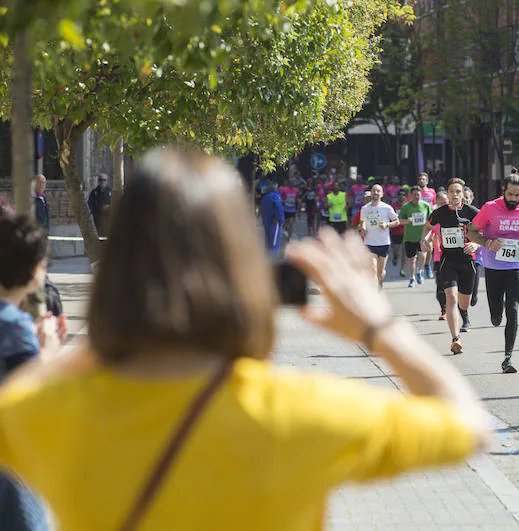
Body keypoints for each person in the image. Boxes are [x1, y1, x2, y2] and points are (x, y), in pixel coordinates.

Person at [0, 148, 492, 531]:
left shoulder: (49, 411)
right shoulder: (298, 410)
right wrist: (378, 326)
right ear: (243, 265)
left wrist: (97, 339)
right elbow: (468, 426)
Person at [0, 212, 67, 531]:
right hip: (10, 480)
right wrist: (49, 353)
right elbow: (30, 401)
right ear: (31, 272)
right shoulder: (13, 326)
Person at [468, 173, 519, 374]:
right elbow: (472, 232)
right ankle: (495, 315)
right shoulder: (490, 208)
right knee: (496, 315)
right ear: (503, 192)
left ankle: (508, 357)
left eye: (517, 195)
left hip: (517, 266)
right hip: (493, 266)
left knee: (513, 308)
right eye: (510, 194)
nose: (514, 199)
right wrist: (488, 242)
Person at [421, 179, 480, 354]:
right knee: (451, 298)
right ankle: (455, 339)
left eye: (458, 192)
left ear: (463, 194)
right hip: (448, 260)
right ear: (447, 194)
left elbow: (487, 233)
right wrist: (424, 239)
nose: (455, 195)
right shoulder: (439, 212)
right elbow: (427, 227)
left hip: (467, 261)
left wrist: (476, 245)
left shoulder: (472, 212)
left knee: (464, 302)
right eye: (452, 192)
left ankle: (464, 315)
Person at [358, 184, 399, 288]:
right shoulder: (365, 209)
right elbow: (362, 222)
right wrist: (362, 228)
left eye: (378, 191)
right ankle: (374, 293)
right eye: (374, 191)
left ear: (382, 194)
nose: (375, 193)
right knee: (372, 268)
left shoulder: (387, 208)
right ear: (371, 193)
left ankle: (380, 279)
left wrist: (387, 225)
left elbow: (397, 221)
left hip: (383, 243)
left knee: (380, 273)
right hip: (369, 242)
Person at [398, 186, 432, 288]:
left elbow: (431, 219)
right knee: (412, 259)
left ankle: (419, 271)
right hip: (409, 237)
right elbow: (399, 220)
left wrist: (428, 224)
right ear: (411, 195)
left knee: (422, 255)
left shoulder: (425, 205)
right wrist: (406, 221)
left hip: (422, 237)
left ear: (421, 195)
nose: (417, 196)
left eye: (418, 194)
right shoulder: (406, 207)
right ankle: (412, 278)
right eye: (414, 195)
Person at [463, 186, 483, 308]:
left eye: (467, 197)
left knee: (473, 290)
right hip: (458, 255)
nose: (465, 200)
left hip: (475, 257)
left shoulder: (479, 215)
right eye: (463, 197)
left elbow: (486, 236)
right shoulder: (454, 213)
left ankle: (473, 294)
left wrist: (476, 244)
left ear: (472, 199)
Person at [418, 172, 438, 279]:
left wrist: (434, 208)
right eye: (420, 179)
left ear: (427, 181)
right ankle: (420, 268)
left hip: (430, 221)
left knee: (430, 244)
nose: (422, 181)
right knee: (421, 245)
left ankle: (427, 265)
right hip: (418, 223)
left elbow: (434, 203)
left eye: (424, 179)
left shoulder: (432, 192)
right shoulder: (415, 192)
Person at [260, 181, 285, 256]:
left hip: (266, 220)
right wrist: (281, 220)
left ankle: (267, 255)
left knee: (268, 239)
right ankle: (272, 259)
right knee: (274, 241)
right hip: (274, 221)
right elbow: (278, 208)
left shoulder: (265, 197)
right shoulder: (275, 196)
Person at [87, 173, 112, 237]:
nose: (102, 182)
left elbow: (114, 202)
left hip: (108, 218)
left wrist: (108, 207)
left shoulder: (110, 191)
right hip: (98, 218)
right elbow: (90, 203)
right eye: (100, 180)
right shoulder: (94, 192)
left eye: (104, 180)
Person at [389, 188, 407, 274]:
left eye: (404, 195)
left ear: (405, 197)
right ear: (398, 196)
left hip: (406, 231)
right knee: (396, 252)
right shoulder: (393, 206)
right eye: (400, 195)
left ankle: (402, 269)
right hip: (395, 231)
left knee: (404, 252)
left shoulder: (408, 206)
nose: (402, 197)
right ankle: (395, 258)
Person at [279, 177, 301, 242]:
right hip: (285, 209)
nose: (292, 184)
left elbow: (297, 198)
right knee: (285, 222)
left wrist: (299, 206)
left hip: (292, 209)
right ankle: (282, 228)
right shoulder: (284, 189)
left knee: (291, 223)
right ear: (288, 183)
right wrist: (283, 201)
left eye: (293, 183)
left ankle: (289, 237)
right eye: (291, 182)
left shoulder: (296, 190)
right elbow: (280, 197)